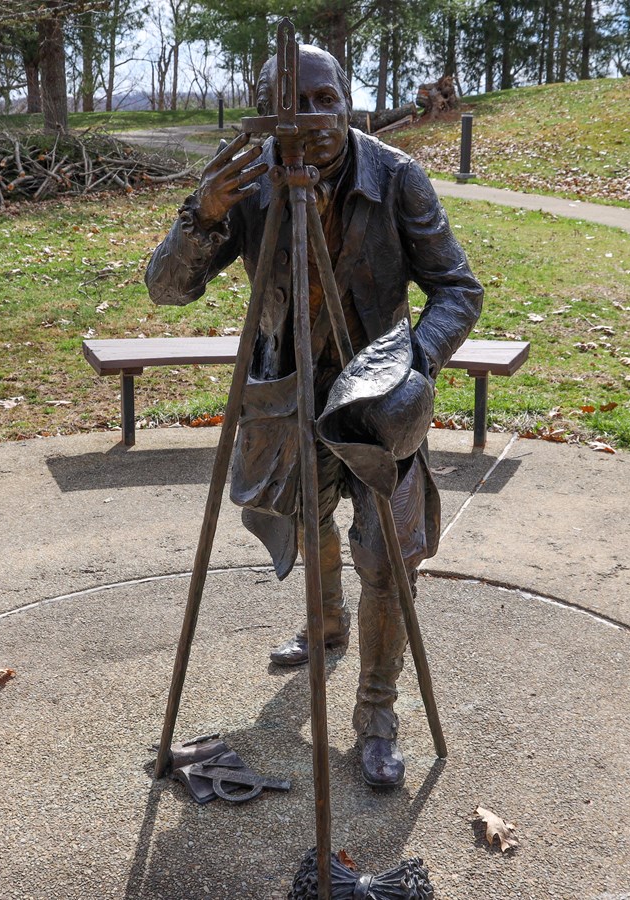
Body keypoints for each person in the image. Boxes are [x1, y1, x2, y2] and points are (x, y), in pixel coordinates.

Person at [145, 45, 483, 788]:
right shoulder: (249, 180)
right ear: (269, 112)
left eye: (328, 99)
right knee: (305, 519)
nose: (316, 118)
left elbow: (458, 289)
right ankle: (326, 625)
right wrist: (201, 217)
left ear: (346, 100)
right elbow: (167, 289)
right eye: (295, 104)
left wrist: (413, 363)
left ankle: (377, 711)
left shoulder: (395, 176)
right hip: (288, 388)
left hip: (380, 401)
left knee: (388, 556)